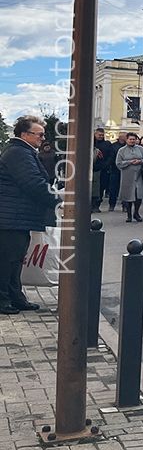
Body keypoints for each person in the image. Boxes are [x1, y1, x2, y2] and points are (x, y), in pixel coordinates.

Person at [0, 116, 57, 315]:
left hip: (16, 215)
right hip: (11, 216)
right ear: (25, 134)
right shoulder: (18, 153)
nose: (43, 138)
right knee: (7, 261)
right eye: (39, 134)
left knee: (15, 260)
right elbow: (32, 183)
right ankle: (3, 299)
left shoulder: (22, 151)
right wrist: (57, 201)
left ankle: (15, 297)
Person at [115, 132, 143, 223]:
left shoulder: (141, 149)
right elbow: (118, 163)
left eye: (134, 139)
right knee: (128, 195)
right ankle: (129, 215)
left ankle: (136, 213)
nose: (132, 141)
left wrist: (140, 161)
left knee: (138, 195)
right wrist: (129, 162)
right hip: (127, 175)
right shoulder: (122, 150)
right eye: (130, 139)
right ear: (127, 140)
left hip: (139, 175)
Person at [91, 127, 115, 212]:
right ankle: (90, 204)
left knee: (101, 187)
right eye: (99, 135)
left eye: (102, 135)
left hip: (103, 169)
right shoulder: (91, 143)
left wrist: (105, 165)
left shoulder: (107, 144)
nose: (100, 136)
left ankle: (97, 204)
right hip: (91, 169)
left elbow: (111, 156)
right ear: (95, 134)